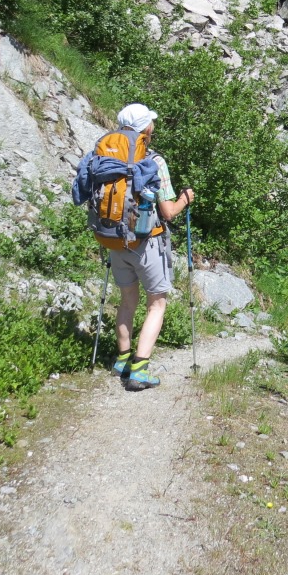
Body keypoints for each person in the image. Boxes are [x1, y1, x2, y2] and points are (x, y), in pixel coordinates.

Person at [109, 104, 194, 391]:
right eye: (151, 124)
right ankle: (139, 370)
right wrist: (185, 199)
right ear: (146, 128)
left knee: (127, 299)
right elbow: (168, 211)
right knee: (156, 303)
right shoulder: (154, 160)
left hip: (114, 239)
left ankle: (122, 360)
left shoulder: (108, 157)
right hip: (146, 242)